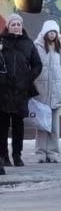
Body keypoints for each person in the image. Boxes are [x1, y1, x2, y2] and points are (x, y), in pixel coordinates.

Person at [0, 13, 43, 168]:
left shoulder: (28, 43)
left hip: (20, 91)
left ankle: (17, 155)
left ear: (22, 26)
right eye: (13, 24)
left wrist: (27, 78)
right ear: (8, 26)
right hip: (3, 91)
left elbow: (37, 65)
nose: (16, 27)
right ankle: (3, 156)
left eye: (18, 24)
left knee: (18, 126)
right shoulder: (2, 41)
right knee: (3, 126)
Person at [33, 20, 61, 163]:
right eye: (49, 32)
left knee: (54, 127)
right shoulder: (37, 47)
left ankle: (53, 153)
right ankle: (40, 153)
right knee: (41, 125)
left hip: (57, 94)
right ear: (45, 33)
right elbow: (31, 67)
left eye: (54, 32)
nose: (52, 34)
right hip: (41, 93)